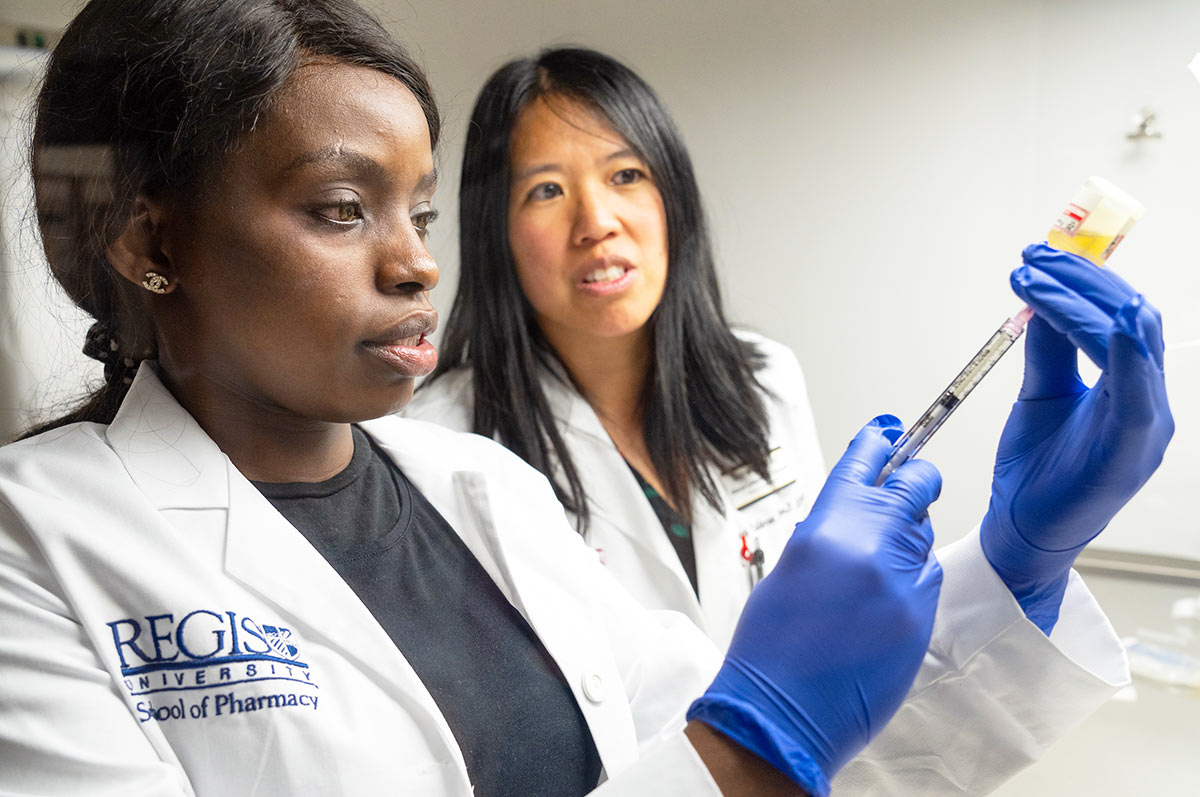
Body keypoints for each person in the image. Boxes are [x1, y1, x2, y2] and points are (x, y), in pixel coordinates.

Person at [0, 2, 959, 796]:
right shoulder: (34, 541)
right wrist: (753, 742)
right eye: (342, 208)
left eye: (417, 213)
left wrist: (1022, 559)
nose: (418, 263)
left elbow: (794, 739)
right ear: (152, 244)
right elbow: (742, 751)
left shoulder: (486, 489)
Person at [405, 46, 1174, 792]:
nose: (596, 219)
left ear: (672, 196)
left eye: (627, 174)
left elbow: (833, 696)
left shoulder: (763, 380)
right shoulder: (438, 448)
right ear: (493, 228)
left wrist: (1019, 566)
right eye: (545, 189)